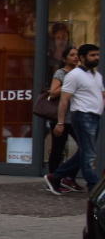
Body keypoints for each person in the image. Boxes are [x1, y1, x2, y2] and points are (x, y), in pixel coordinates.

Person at [45, 43, 105, 195]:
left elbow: (101, 95)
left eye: (97, 55)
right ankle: (94, 187)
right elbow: (64, 100)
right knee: (89, 154)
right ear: (82, 57)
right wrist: (60, 122)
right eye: (92, 55)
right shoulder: (74, 75)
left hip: (95, 116)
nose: (96, 58)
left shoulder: (96, 75)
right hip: (82, 116)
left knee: (84, 152)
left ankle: (55, 177)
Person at [46, 46, 79, 175]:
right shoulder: (61, 73)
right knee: (58, 149)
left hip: (75, 116)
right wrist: (70, 84)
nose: (75, 57)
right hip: (61, 117)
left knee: (84, 148)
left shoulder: (80, 73)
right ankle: (53, 177)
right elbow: (53, 93)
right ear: (65, 58)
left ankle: (69, 177)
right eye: (72, 55)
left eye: (77, 54)